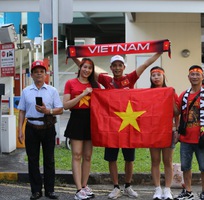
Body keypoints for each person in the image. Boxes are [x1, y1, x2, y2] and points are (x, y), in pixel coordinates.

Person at [73, 52, 162, 199]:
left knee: (129, 158)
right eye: (114, 65)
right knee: (112, 158)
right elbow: (85, 68)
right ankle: (115, 187)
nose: (117, 68)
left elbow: (146, 64)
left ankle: (127, 186)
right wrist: (73, 55)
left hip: (128, 125)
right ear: (111, 67)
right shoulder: (105, 80)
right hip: (112, 126)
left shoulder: (131, 78)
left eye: (120, 65)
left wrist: (160, 52)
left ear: (124, 67)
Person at [18, 60, 63, 200]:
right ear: (31, 75)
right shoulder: (26, 91)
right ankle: (36, 190)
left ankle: (50, 190)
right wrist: (20, 130)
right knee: (33, 160)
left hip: (48, 127)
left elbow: (60, 110)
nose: (39, 74)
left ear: (46, 74)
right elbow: (21, 111)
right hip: (31, 127)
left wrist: (47, 110)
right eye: (36, 71)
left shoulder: (52, 90)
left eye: (41, 71)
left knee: (49, 160)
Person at [174, 65, 204, 200]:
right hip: (186, 138)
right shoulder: (183, 95)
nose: (195, 77)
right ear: (188, 77)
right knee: (186, 166)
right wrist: (169, 96)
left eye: (198, 74)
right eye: (192, 74)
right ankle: (188, 191)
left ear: (202, 77)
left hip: (202, 137)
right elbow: (177, 113)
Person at [63, 58, 100, 200]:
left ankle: (85, 186)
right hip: (77, 119)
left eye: (90, 68)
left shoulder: (94, 84)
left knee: (88, 156)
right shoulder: (70, 83)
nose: (87, 70)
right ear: (80, 67)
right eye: (85, 67)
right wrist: (83, 94)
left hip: (91, 120)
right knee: (76, 155)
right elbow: (66, 105)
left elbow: (108, 98)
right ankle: (78, 189)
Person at [148, 66, 179, 200]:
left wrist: (170, 97)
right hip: (153, 131)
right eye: (153, 75)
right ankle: (157, 189)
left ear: (163, 77)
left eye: (158, 75)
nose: (156, 77)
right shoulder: (147, 93)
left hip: (169, 130)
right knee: (155, 160)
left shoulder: (171, 91)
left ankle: (167, 189)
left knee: (168, 160)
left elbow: (177, 113)